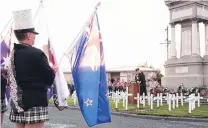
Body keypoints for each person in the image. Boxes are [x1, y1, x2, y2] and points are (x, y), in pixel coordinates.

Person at [7, 9, 57, 128]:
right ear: (29, 35)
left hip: (18, 102)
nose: (34, 37)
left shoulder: (12, 54)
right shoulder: (37, 54)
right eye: (34, 34)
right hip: (35, 101)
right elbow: (49, 79)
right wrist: (53, 70)